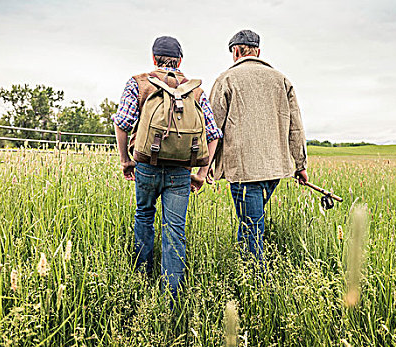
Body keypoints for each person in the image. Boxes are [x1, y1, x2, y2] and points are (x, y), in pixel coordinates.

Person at [112, 36, 222, 300]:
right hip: (181, 172)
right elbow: (214, 133)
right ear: (180, 61)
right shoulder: (194, 90)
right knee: (175, 229)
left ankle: (141, 280)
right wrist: (201, 174)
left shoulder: (139, 83)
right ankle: (170, 297)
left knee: (144, 216)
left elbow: (122, 122)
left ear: (153, 58)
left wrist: (126, 161)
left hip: (146, 166)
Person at [209, 29, 308, 264]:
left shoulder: (227, 79)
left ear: (235, 52)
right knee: (251, 222)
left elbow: (212, 127)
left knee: (251, 227)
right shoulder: (281, 80)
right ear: (258, 51)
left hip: (245, 171)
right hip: (275, 170)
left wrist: (206, 165)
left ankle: (255, 281)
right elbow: (296, 127)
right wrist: (300, 165)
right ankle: (247, 268)